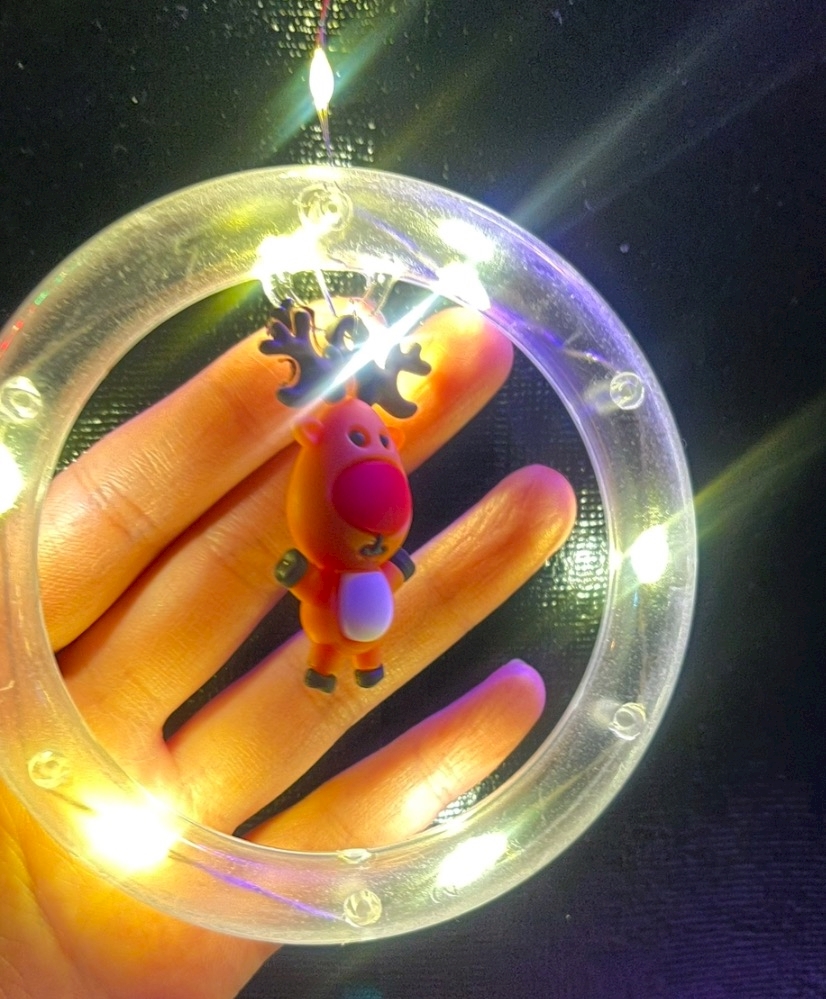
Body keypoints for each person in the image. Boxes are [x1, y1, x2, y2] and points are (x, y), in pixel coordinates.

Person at [0, 308, 576, 999]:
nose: (373, 458)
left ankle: (360, 663)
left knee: (360, 644)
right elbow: (311, 565)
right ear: (314, 437)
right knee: (331, 645)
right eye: (359, 439)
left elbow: (391, 559)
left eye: (375, 441)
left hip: (368, 600)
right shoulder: (322, 505)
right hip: (337, 605)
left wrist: (394, 566)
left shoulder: (374, 521)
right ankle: (339, 665)